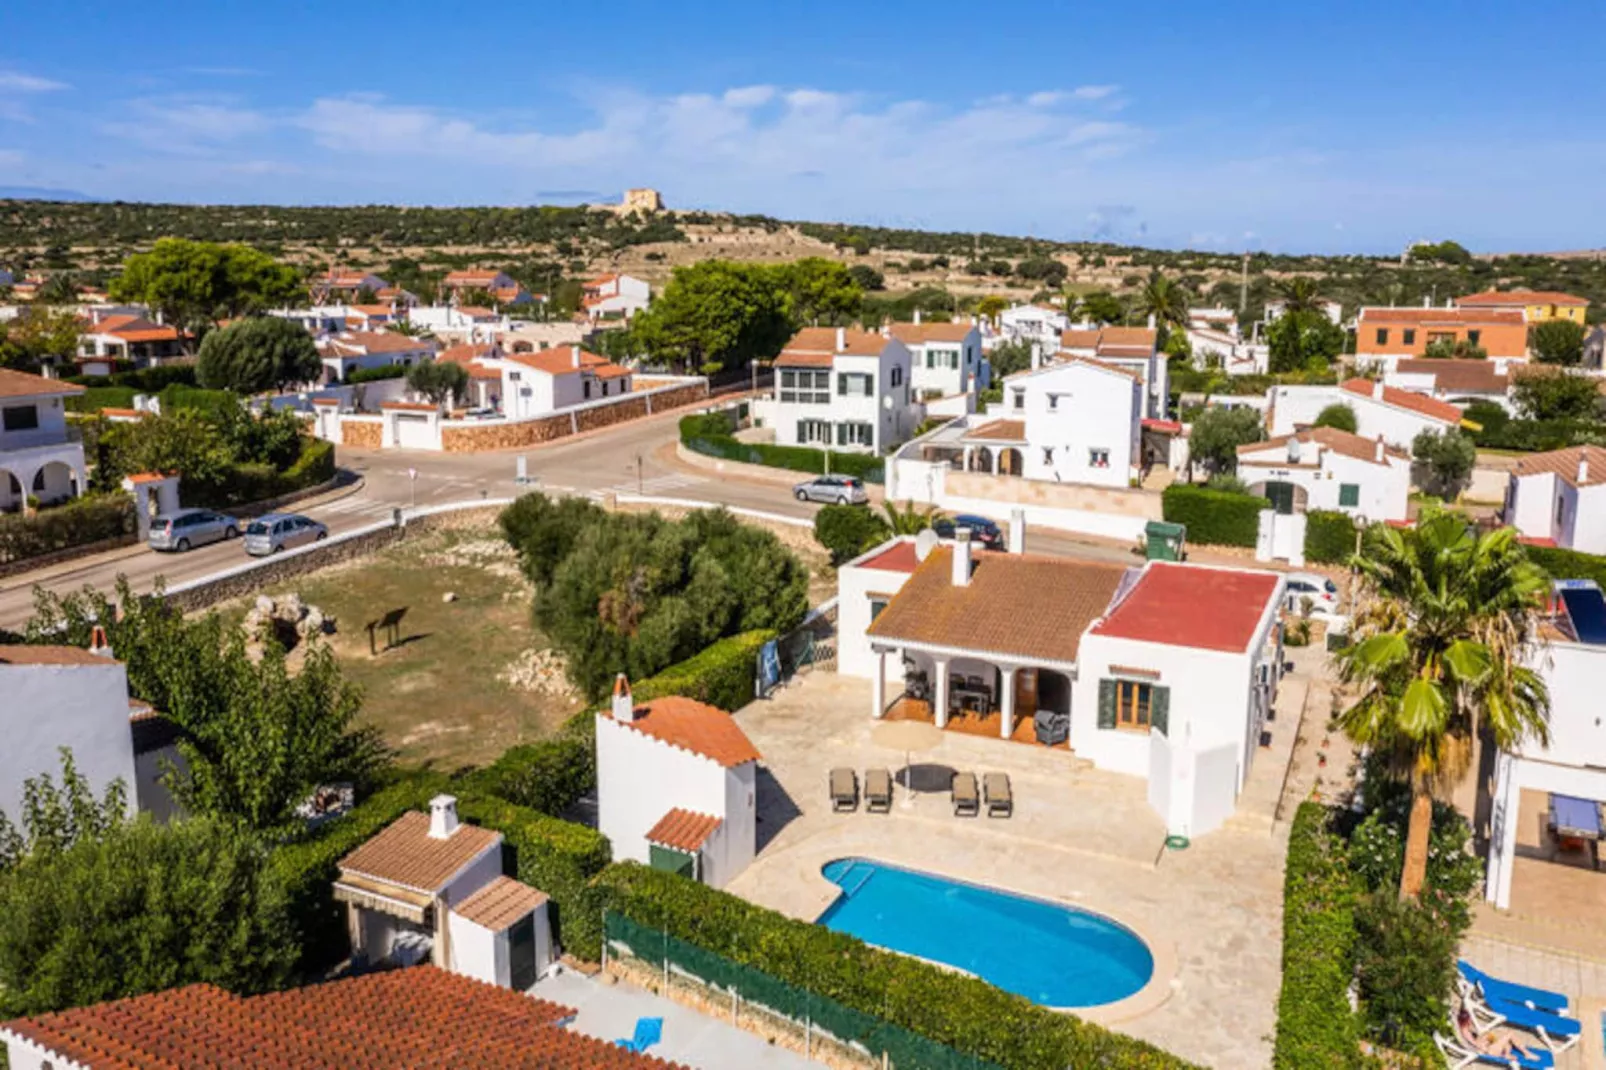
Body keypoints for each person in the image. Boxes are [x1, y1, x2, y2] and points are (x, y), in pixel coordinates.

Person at [1456, 1001, 1540, 1062]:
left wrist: (1488, 1038)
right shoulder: (1465, 1031)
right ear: (1466, 1020)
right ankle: (1527, 1054)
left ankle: (1508, 1054)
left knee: (1505, 1040)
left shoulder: (1466, 1029)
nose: (1471, 1021)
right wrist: (1485, 1043)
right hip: (1490, 1051)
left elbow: (1478, 1041)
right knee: (1510, 1034)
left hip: (1489, 1047)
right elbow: (1477, 1046)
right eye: (1470, 1019)